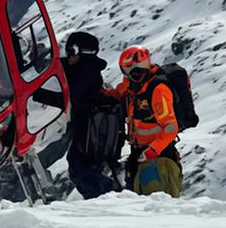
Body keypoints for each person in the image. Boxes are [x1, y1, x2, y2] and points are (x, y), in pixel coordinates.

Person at [34, 31, 122, 199]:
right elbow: (64, 65)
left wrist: (36, 93)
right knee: (78, 168)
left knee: (80, 169)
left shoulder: (84, 73)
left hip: (87, 131)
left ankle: (107, 198)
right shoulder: (87, 68)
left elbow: (67, 98)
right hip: (88, 130)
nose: (67, 55)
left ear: (75, 51)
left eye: (69, 51)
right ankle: (106, 196)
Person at [103, 45, 182, 197]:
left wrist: (153, 150)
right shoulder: (134, 86)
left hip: (158, 156)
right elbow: (119, 93)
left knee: (156, 198)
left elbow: (171, 127)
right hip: (140, 152)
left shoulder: (158, 90)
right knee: (138, 196)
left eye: (127, 70)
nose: (126, 75)